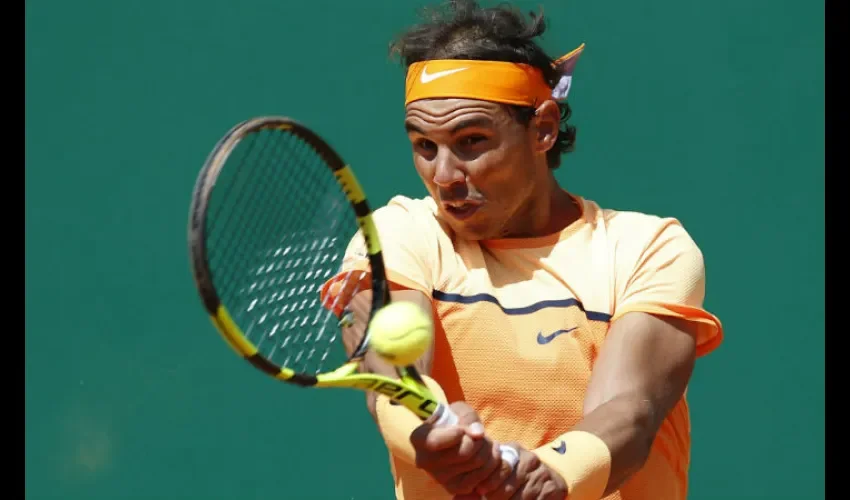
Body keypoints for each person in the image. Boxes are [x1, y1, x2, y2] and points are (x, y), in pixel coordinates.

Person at [321, 1, 723, 499]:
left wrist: (553, 473)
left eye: (471, 141)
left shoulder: (647, 248)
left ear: (543, 128)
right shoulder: (399, 233)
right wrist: (427, 433)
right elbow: (391, 378)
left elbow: (630, 409)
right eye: (425, 146)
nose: (444, 175)